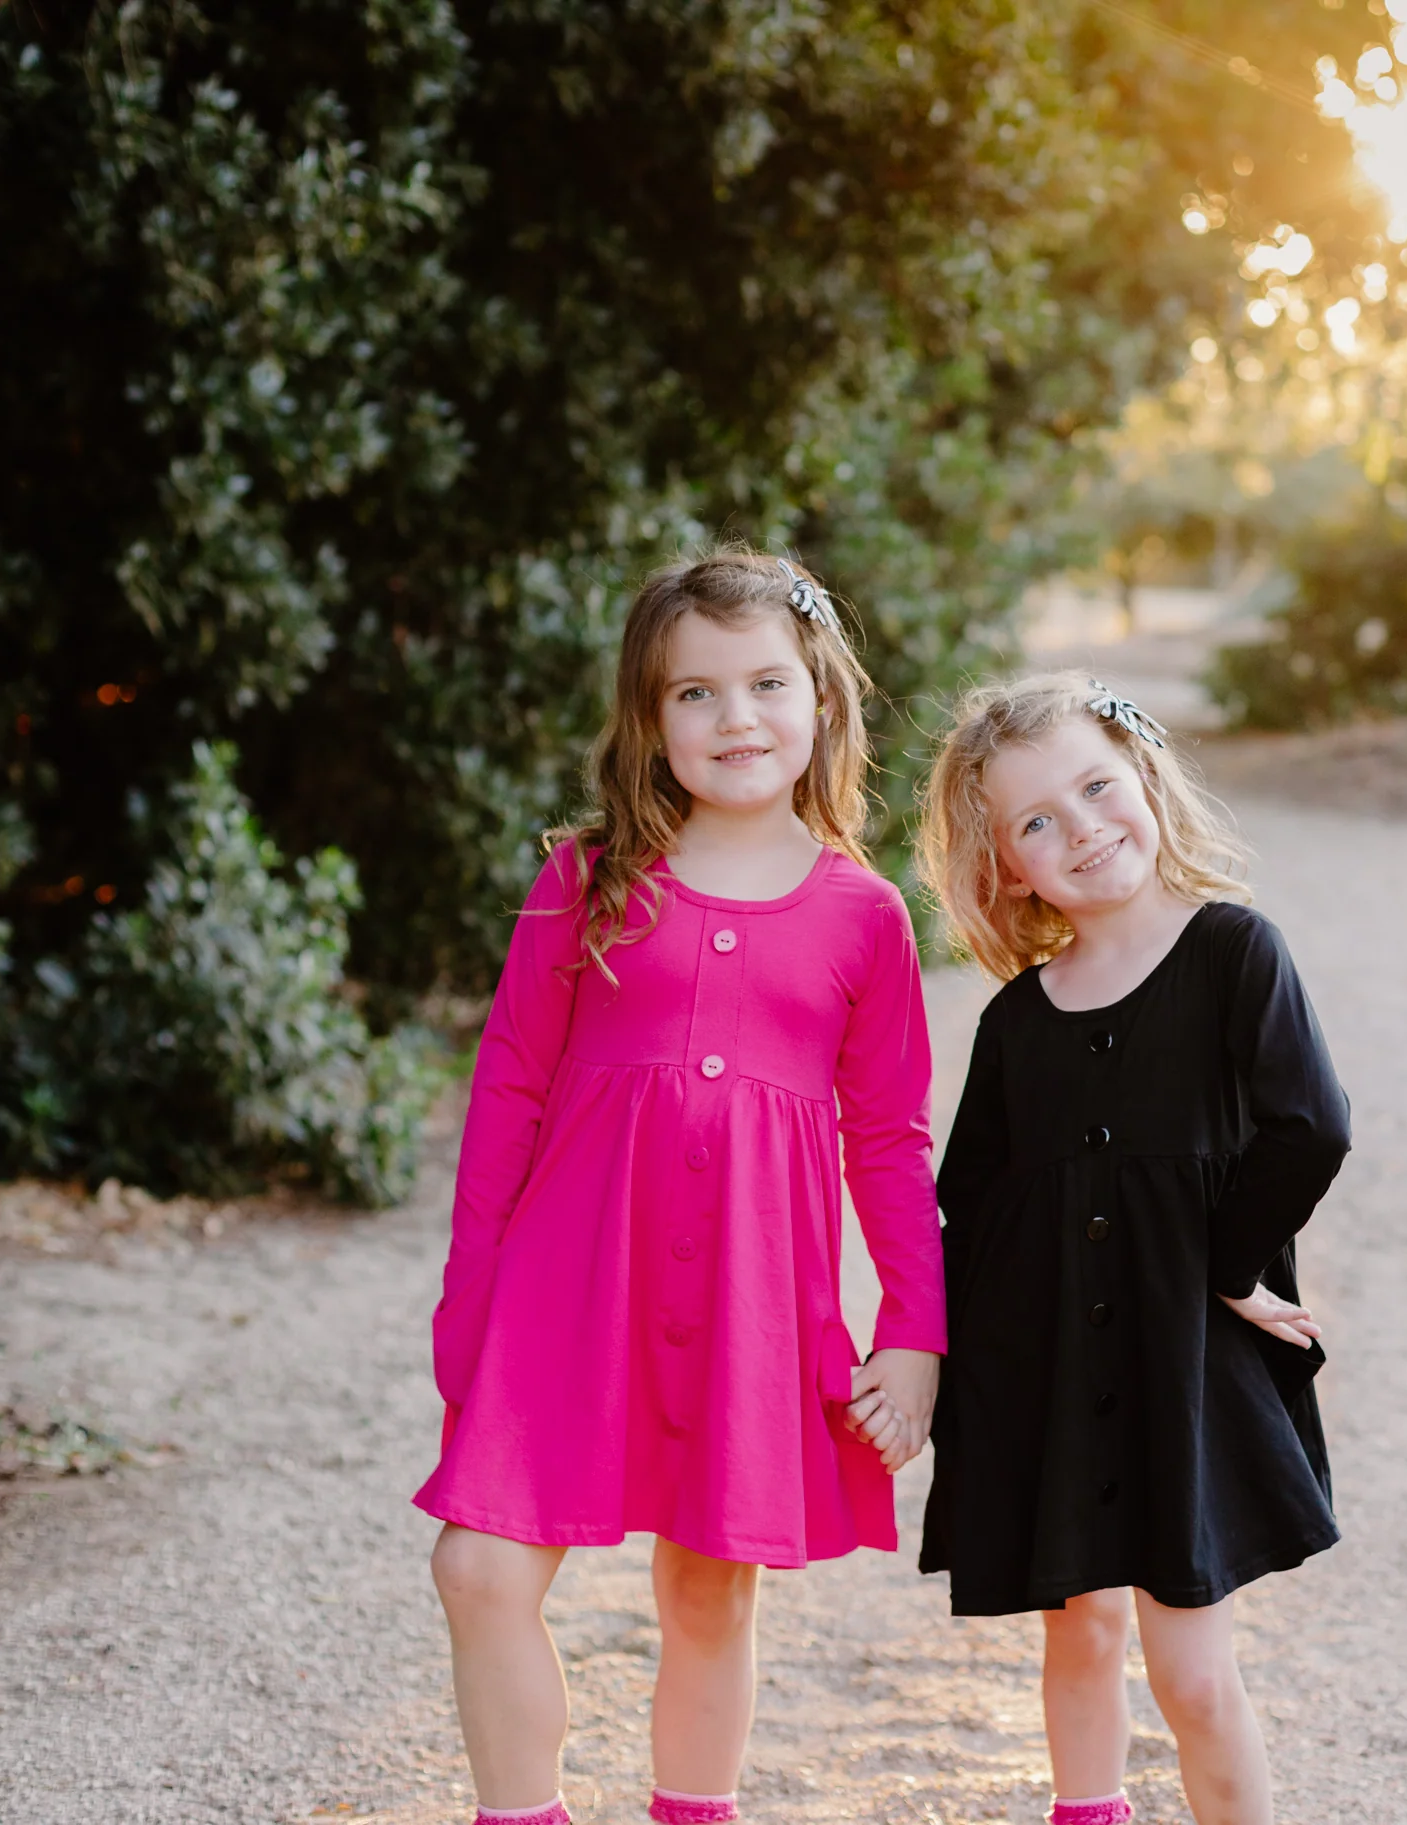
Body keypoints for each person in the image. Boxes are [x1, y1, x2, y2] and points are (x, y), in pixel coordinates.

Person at [416, 548, 944, 1825]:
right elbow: (507, 1094)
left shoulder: (863, 915)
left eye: (765, 684)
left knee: (708, 1590)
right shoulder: (586, 878)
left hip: (750, 1304)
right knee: (477, 1569)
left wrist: (912, 1331)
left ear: (820, 699)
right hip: (565, 1291)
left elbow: (888, 1139)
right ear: (650, 720)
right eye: (693, 692)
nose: (733, 717)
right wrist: (470, 1292)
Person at [911, 672, 1351, 1825]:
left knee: (1192, 1673)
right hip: (1053, 1374)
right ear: (1007, 866)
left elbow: (1310, 1126)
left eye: (1096, 788)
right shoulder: (1016, 1022)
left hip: (1182, 1368)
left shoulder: (1232, 954)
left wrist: (1228, 1265)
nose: (1081, 828)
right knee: (1080, 1633)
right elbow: (971, 1206)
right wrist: (929, 1363)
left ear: (1146, 780)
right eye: (1035, 821)